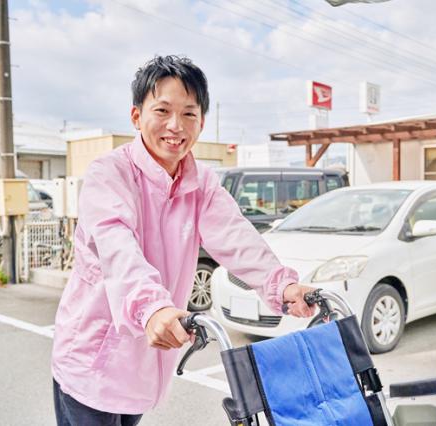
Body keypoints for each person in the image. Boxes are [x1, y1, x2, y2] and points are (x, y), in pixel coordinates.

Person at [51, 55, 315, 425]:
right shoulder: (109, 174)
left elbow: (237, 238)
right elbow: (117, 250)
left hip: (145, 358)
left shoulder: (201, 182)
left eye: (189, 114)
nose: (175, 126)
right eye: (162, 110)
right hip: (92, 358)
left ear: (202, 122)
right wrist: (152, 307)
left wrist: (281, 284)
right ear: (136, 116)